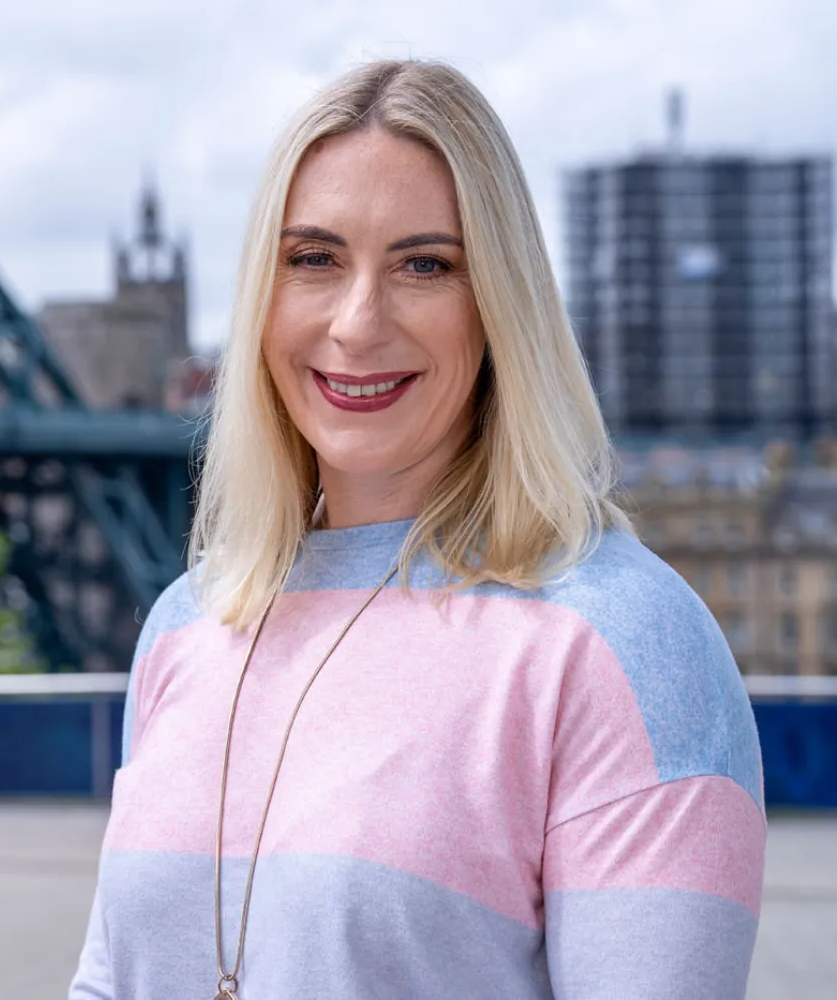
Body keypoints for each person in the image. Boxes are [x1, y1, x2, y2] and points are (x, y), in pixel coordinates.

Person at [68, 59, 764, 1000]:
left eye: (424, 265)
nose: (357, 324)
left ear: (500, 307)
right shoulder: (190, 624)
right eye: (313, 259)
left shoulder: (621, 646)